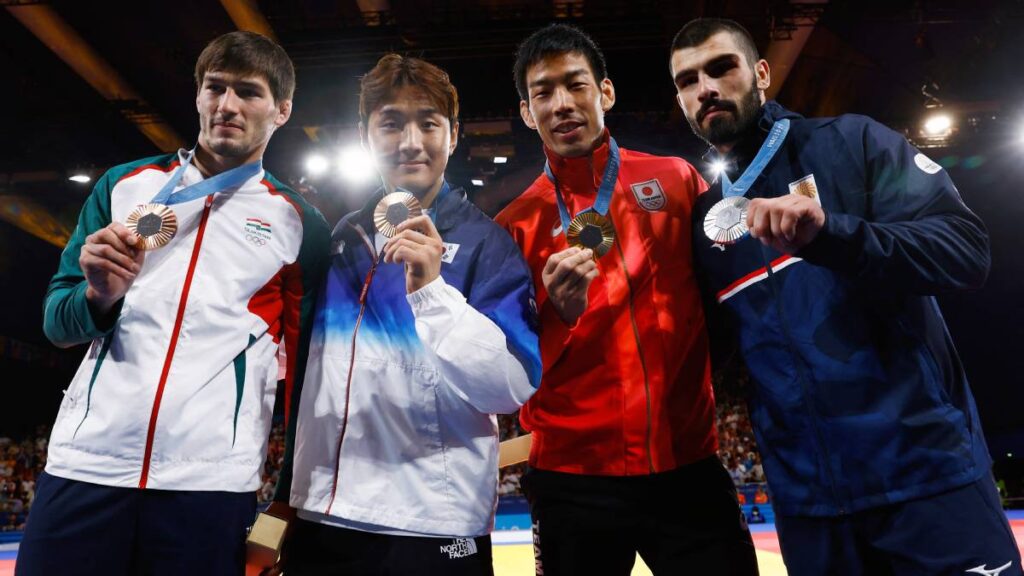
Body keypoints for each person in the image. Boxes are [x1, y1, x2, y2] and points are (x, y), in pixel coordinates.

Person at [670, 17, 1022, 576]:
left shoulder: (853, 143)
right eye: (688, 81)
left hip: (926, 480)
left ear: (761, 73)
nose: (705, 88)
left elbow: (965, 249)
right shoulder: (705, 223)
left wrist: (832, 235)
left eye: (721, 68)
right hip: (811, 511)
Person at [18, 31, 329, 576]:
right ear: (197, 95)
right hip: (85, 467)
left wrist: (283, 511)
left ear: (282, 110)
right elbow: (56, 325)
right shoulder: (123, 186)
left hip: (208, 486)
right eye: (215, 88)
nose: (227, 106)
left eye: (248, 93)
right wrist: (98, 295)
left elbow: (306, 383)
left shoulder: (299, 224)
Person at [496, 23, 759, 576]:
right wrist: (557, 318)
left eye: (576, 85)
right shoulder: (513, 226)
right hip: (573, 483)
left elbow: (729, 293)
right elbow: (505, 367)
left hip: (687, 466)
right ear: (526, 112)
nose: (562, 103)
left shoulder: (678, 180)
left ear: (606, 93)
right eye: (544, 92)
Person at [267, 54, 541, 576]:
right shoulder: (345, 234)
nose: (410, 141)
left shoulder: (488, 244)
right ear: (366, 136)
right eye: (390, 123)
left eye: (428, 123)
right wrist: (291, 498)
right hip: (324, 517)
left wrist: (432, 293)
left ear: (454, 135)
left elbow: (510, 387)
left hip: (430, 526)